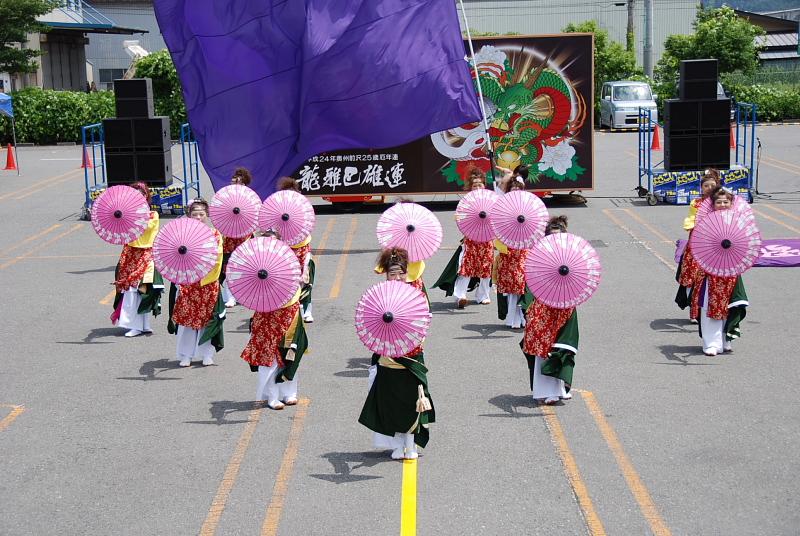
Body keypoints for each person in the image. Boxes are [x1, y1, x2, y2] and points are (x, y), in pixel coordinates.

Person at [359, 248, 435, 460]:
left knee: (413, 401)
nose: (398, 277)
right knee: (391, 402)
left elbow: (425, 319)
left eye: (401, 272)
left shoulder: (415, 293)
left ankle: (411, 445)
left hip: (411, 353)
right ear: (386, 274)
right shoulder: (380, 295)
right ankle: (396, 445)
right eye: (393, 273)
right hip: (386, 355)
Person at [240, 229, 309, 410]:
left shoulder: (289, 259)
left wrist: (303, 277)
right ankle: (272, 396)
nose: (271, 246)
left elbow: (301, 281)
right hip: (266, 316)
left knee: (291, 353)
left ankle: (289, 393)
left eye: (275, 242)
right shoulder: (252, 265)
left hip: (290, 313)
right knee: (270, 357)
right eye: (266, 243)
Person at [519, 215, 578, 405]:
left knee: (562, 347)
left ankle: (561, 387)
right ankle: (544, 390)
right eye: (551, 236)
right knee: (543, 348)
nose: (554, 240)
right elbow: (530, 280)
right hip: (544, 307)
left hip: (565, 306)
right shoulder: (538, 256)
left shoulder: (572, 255)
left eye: (558, 236)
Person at [167, 198, 225, 367]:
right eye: (194, 214)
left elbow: (217, 258)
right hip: (188, 282)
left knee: (208, 319)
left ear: (207, 215)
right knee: (187, 320)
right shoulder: (182, 233)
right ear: (188, 215)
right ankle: (186, 354)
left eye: (201, 214)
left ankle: (207, 353)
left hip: (208, 282)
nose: (198, 217)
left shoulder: (215, 234)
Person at [696, 187, 749, 356]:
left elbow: (745, 241)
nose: (722, 204)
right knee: (711, 306)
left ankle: (727, 339)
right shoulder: (706, 221)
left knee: (731, 305)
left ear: (731, 203)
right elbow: (700, 243)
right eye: (718, 202)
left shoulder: (738, 220)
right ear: (713, 204)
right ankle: (711, 343)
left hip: (732, 269)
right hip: (711, 270)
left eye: (726, 201)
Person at [432, 165, 494, 308]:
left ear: (484, 185)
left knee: (486, 269)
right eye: (475, 185)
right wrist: (458, 218)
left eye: (480, 184)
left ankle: (483, 296)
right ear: (470, 187)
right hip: (471, 240)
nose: (478, 187)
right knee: (466, 268)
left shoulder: (491, 199)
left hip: (487, 240)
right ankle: (460, 296)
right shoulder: (467, 202)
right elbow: (462, 218)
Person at [110, 182, 163, 337]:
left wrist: (129, 215)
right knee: (130, 289)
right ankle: (137, 324)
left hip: (146, 254)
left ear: (147, 197)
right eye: (135, 194)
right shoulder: (125, 215)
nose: (139, 196)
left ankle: (142, 324)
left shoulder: (153, 215)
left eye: (142, 194)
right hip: (129, 254)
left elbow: (143, 227)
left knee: (142, 288)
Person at [675, 169, 721, 322]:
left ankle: (713, 310)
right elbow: (691, 219)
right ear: (701, 187)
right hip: (697, 244)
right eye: (706, 185)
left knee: (711, 280)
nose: (709, 188)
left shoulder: (721, 201)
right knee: (692, 278)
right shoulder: (696, 203)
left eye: (712, 185)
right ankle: (693, 311)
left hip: (715, 246)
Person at [276, 176, 316, 323]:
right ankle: (290, 310)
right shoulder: (277, 212)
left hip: (303, 252)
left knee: (306, 282)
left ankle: (307, 309)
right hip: (286, 253)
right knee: (286, 283)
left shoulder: (303, 210)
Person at [494, 175, 529, 329]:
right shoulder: (502, 207)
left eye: (518, 191)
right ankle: (512, 317)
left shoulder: (529, 207)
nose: (515, 193)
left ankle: (521, 316)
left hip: (523, 249)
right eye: (512, 190)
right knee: (510, 286)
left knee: (521, 283)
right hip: (508, 249)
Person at [220, 167, 254, 308]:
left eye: (240, 183)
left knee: (244, 268)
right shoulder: (225, 197)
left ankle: (242, 295)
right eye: (234, 182)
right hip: (229, 238)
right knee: (228, 268)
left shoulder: (251, 199)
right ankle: (230, 297)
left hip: (244, 237)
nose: (236, 185)